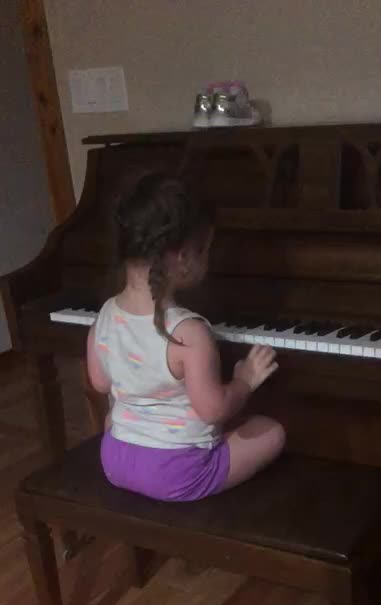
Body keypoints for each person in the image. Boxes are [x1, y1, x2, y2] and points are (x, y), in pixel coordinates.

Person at [87, 174, 285, 501]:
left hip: (115, 460)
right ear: (182, 258)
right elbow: (213, 410)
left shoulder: (105, 315)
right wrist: (244, 380)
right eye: (204, 249)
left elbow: (99, 382)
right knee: (271, 432)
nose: (207, 257)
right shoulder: (189, 333)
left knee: (114, 416)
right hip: (175, 474)